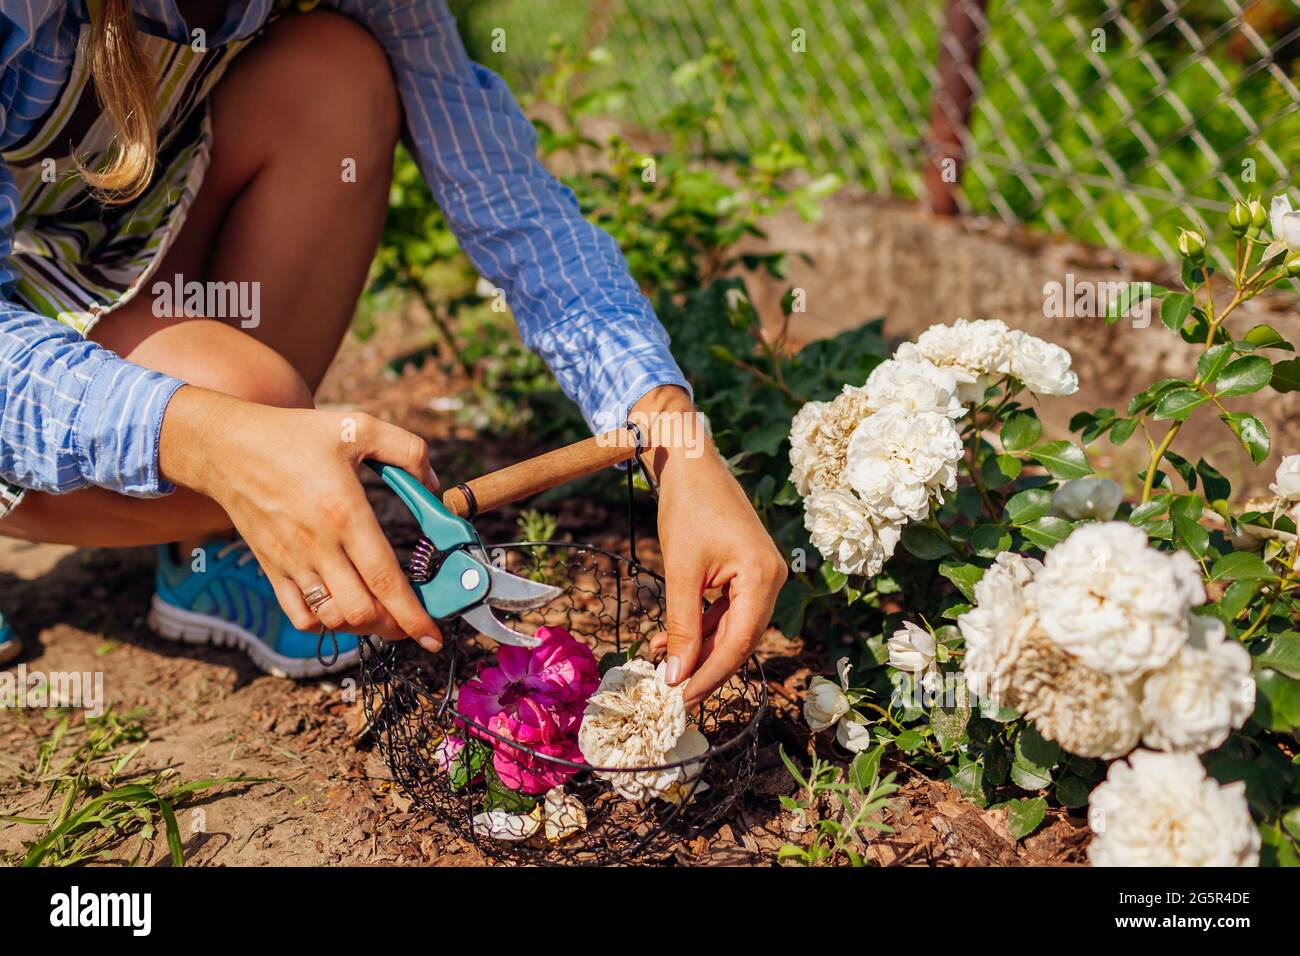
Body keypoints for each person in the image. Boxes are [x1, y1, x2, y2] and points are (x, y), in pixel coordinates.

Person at [0, 1, 786, 703]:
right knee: (248, 410)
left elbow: (513, 205)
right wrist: (208, 440)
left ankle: (201, 554)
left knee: (333, 76)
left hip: (112, 258)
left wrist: (676, 442)